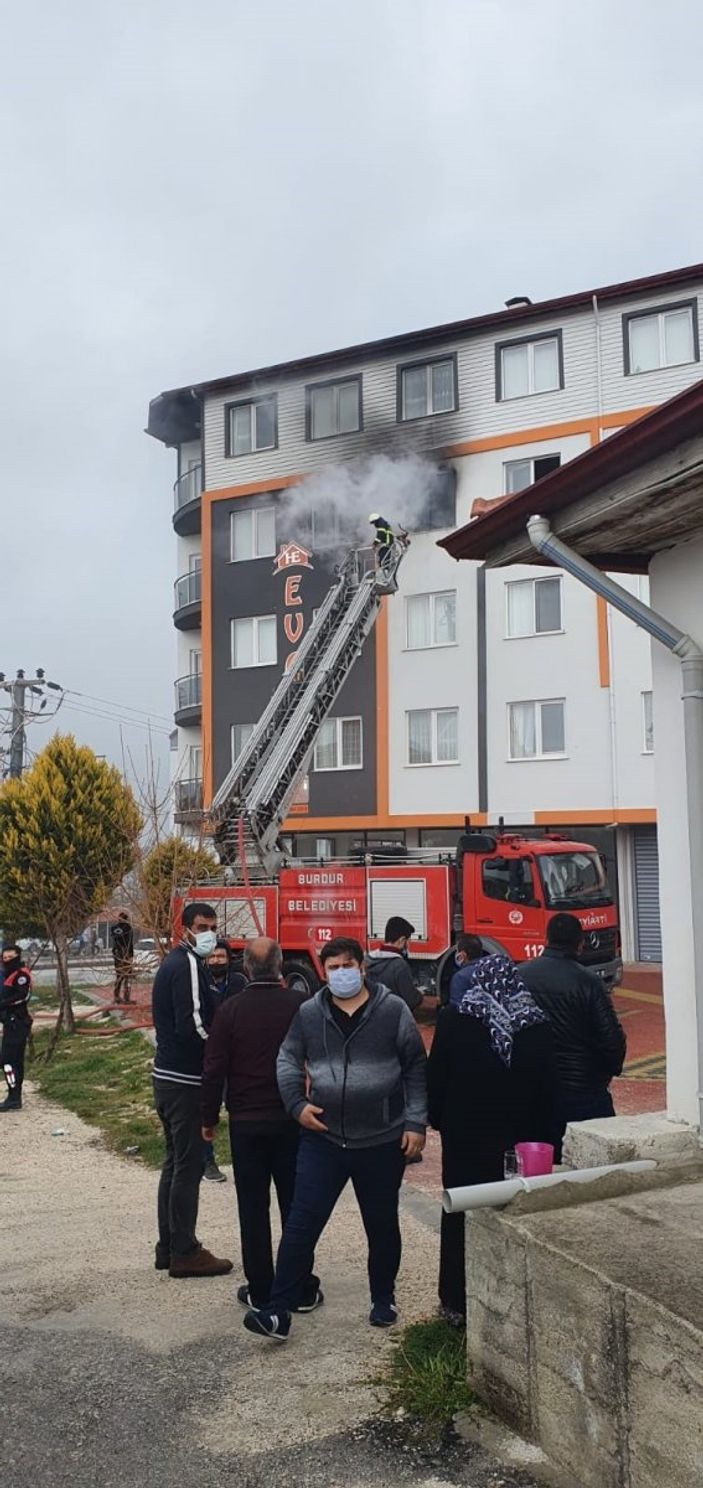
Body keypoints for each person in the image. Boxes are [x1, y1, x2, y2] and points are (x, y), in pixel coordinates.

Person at [242, 935, 427, 1342]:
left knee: (381, 1225)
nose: (341, 974)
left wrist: (415, 1123)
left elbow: (415, 1067)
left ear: (363, 967)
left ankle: (383, 1298)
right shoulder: (309, 1013)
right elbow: (287, 1058)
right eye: (333, 968)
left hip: (381, 1140)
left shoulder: (392, 1010)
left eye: (348, 965)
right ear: (324, 972)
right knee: (301, 1226)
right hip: (323, 1141)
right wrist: (296, 1104)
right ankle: (277, 1312)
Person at [428, 954, 559, 1326]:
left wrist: (439, 1120)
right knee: (513, 1217)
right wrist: (546, 1139)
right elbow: (549, 1091)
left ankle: (455, 1302)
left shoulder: (455, 1020)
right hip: (520, 1145)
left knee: (458, 1215)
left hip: (465, 1140)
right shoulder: (535, 1025)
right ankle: (510, 1298)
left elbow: (435, 1078)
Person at [201, 937, 317, 1310]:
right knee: (295, 1206)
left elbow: (214, 1067)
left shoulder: (231, 1010)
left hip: (246, 1122)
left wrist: (208, 1118)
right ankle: (299, 1287)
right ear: (281, 966)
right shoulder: (301, 1006)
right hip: (291, 1117)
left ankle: (262, 1288)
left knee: (253, 1208)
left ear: (245, 968)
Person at [151, 901, 233, 1278]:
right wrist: (219, 1057)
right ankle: (185, 1250)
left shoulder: (179, 962)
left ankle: (168, 1246)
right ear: (184, 928)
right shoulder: (184, 963)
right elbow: (194, 1025)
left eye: (213, 926)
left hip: (167, 1077)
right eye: (201, 926)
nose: (208, 933)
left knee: (174, 1163)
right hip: (184, 1080)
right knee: (189, 1165)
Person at [518, 913, 626, 1147]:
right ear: (580, 943)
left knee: (539, 1167)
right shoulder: (589, 982)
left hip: (532, 1092)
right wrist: (608, 1071)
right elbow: (612, 1040)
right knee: (594, 1167)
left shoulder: (520, 977)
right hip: (583, 1092)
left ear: (546, 939)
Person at [200, 940, 249, 1182]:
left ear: (229, 958)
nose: (217, 960)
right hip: (207, 1052)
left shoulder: (240, 982)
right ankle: (207, 1160)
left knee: (236, 1107)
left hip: (237, 1055)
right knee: (206, 1107)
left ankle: (242, 1158)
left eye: (221, 956)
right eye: (213, 956)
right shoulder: (200, 982)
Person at [0, 944, 33, 1113]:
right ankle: (14, 1095)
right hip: (10, 1022)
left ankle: (13, 1097)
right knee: (13, 1061)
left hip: (17, 1022)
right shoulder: (8, 974)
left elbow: (23, 996)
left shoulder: (21, 974)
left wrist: (3, 1005)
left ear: (17, 956)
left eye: (10, 957)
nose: (6, 961)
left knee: (7, 1059)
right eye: (4, 958)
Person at [366, 916, 422, 1012]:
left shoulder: (367, 960)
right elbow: (411, 1000)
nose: (408, 945)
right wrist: (420, 995)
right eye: (408, 941)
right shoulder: (400, 965)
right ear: (401, 940)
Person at [447, 933, 492, 1008]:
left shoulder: (460, 977)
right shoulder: (491, 970)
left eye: (457, 951)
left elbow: (456, 1008)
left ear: (462, 955)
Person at [110, 912, 134, 1004]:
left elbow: (115, 938)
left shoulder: (113, 928)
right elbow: (130, 943)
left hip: (117, 954)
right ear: (126, 919)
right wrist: (131, 956)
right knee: (127, 975)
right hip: (126, 953)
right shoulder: (128, 928)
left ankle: (116, 996)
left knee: (119, 975)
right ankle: (126, 996)